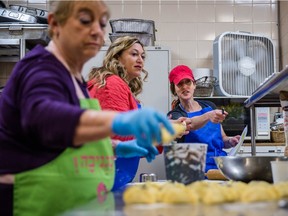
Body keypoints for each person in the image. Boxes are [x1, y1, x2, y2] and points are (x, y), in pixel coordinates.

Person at [0, 1, 174, 215]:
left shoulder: (76, 80)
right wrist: (118, 121)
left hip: (67, 203)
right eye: (84, 21)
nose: (96, 31)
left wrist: (114, 147)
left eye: (101, 25)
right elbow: (45, 120)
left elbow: (67, 140)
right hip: (31, 203)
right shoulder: (40, 67)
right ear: (55, 24)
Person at [87, 36, 182, 189]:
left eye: (142, 56)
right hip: (105, 179)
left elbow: (132, 145)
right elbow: (119, 136)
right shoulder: (111, 84)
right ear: (117, 56)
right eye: (134, 54)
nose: (140, 60)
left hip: (114, 178)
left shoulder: (119, 85)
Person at [167, 65, 240, 172]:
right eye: (180, 84)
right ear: (174, 89)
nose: (185, 87)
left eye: (188, 82)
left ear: (194, 85)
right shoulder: (175, 115)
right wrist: (208, 116)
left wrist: (230, 141)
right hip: (194, 169)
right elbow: (188, 125)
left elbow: (222, 139)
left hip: (220, 166)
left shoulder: (209, 106)